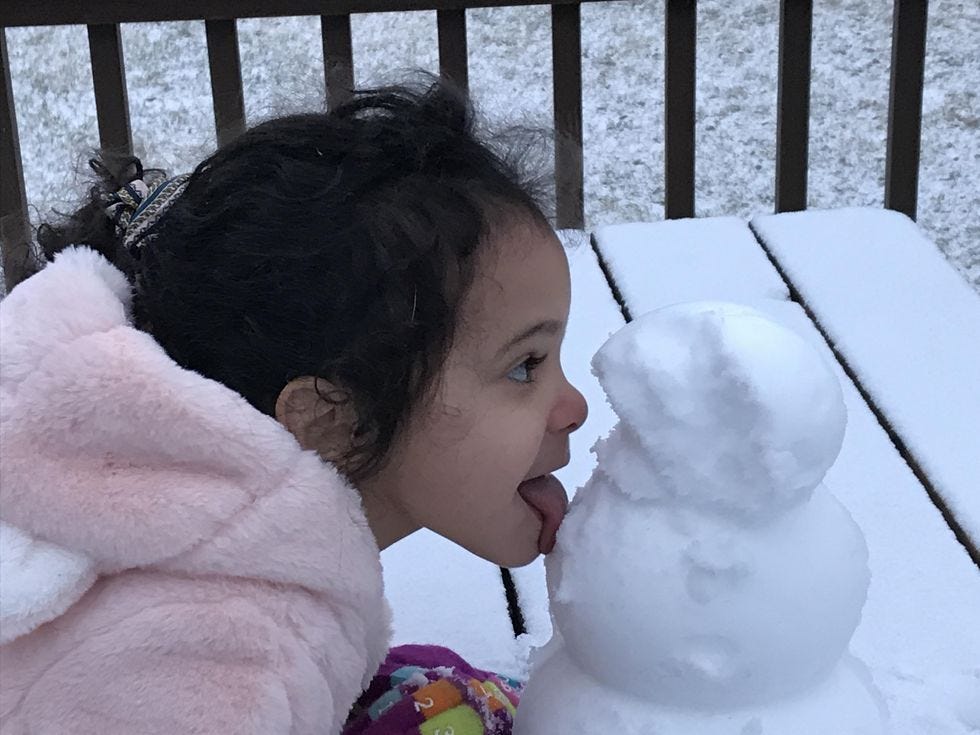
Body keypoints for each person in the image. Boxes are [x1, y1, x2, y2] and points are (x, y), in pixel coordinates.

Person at [0, 80, 588, 733]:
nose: (575, 408)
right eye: (523, 366)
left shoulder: (215, 557)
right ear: (334, 421)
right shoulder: (218, 667)